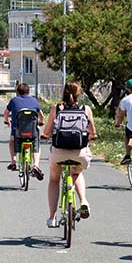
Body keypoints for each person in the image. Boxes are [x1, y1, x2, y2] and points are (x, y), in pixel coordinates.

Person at [40, 81, 97, 227]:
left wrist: (45, 135)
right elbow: (92, 132)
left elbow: (47, 130)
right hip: (79, 153)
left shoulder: (57, 108)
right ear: (79, 93)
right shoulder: (86, 109)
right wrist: (91, 137)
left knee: (54, 180)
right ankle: (83, 201)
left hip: (59, 152)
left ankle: (52, 217)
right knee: (76, 173)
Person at [3, 82, 45, 180]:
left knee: (12, 142)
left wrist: (6, 121)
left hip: (17, 131)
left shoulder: (14, 100)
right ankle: (36, 165)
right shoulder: (34, 101)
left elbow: (6, 112)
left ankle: (13, 162)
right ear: (28, 91)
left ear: (17, 91)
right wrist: (41, 122)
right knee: (36, 144)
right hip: (32, 131)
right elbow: (41, 115)